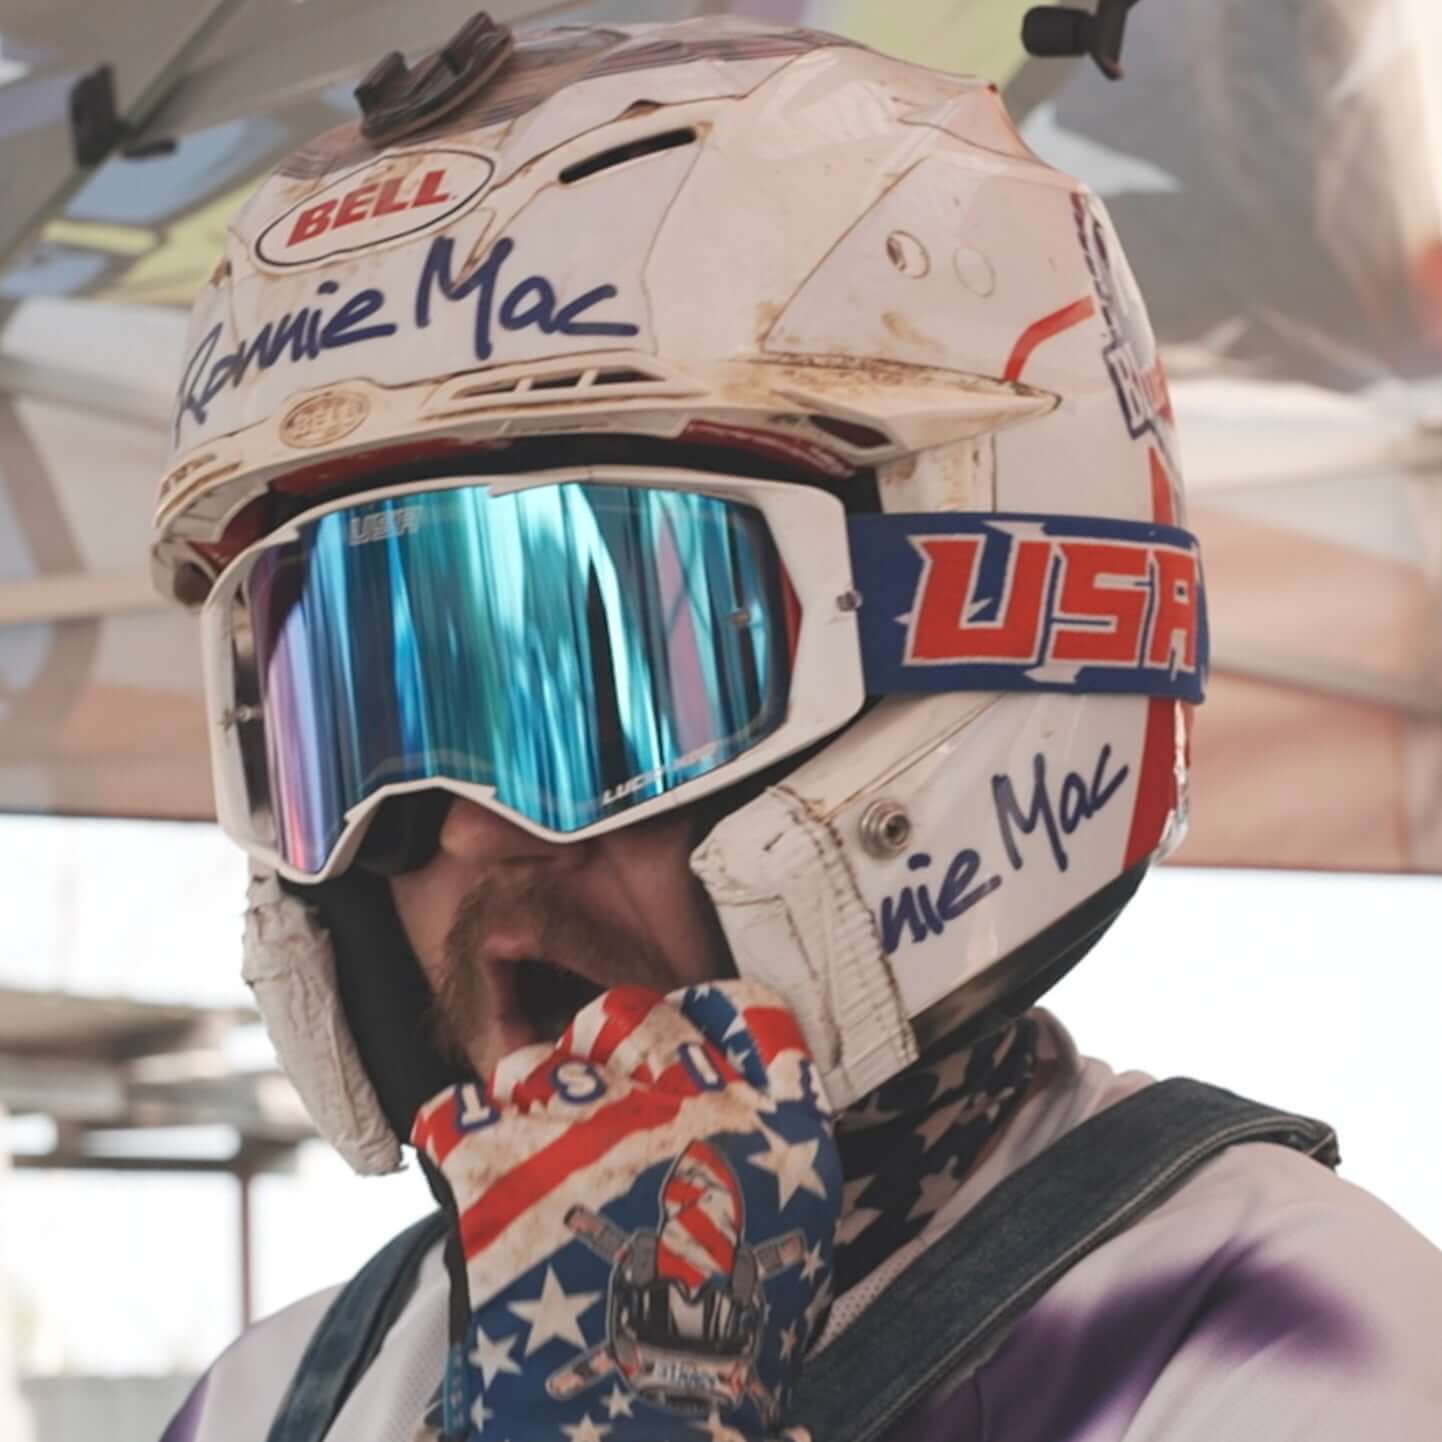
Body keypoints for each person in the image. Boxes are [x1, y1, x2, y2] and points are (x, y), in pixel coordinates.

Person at [152, 14, 1442, 1442]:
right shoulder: (280, 1393)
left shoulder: (1285, 1332)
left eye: (594, 676)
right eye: (367, 708)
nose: (463, 823)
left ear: (965, 645)